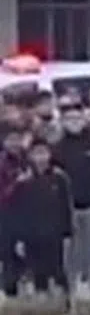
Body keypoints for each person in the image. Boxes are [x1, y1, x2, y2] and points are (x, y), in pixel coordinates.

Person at [53, 103, 90, 303]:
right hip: (69, 208)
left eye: (78, 118)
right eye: (69, 119)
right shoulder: (57, 149)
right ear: (62, 122)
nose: (74, 123)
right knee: (71, 253)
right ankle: (72, 292)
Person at [8, 138, 71, 302]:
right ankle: (41, 303)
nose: (41, 157)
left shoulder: (59, 178)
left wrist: (67, 232)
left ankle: (64, 301)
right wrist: (19, 237)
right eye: (37, 153)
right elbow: (18, 211)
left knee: (58, 269)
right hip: (32, 234)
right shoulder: (23, 182)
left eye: (44, 152)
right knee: (38, 271)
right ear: (30, 156)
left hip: (54, 232)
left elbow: (66, 207)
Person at [0, 123, 29, 296]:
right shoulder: (2, 163)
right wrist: (17, 183)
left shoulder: (28, 159)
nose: (15, 143)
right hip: (7, 215)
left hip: (29, 213)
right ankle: (10, 291)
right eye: (11, 140)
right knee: (9, 254)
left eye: (17, 139)